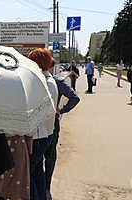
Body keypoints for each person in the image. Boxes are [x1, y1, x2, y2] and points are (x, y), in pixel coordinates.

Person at [45, 60, 80, 200]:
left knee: (40, 156)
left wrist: (62, 110)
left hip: (38, 124)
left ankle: (42, 187)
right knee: (50, 154)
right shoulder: (57, 81)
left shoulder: (52, 81)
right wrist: (61, 111)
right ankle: (46, 187)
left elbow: (75, 98)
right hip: (52, 123)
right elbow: (74, 98)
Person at [28, 48, 58, 200]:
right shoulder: (49, 80)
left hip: (40, 136)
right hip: (46, 133)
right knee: (38, 171)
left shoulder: (45, 83)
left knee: (28, 173)